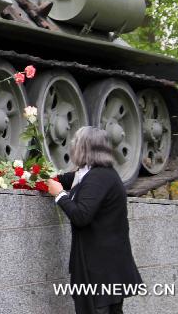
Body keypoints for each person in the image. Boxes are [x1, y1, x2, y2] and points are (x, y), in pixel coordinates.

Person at [45, 126, 143, 314]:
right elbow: (69, 179)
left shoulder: (98, 178)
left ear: (85, 147)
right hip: (107, 267)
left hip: (99, 271)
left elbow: (82, 216)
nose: (72, 145)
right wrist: (39, 177)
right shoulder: (98, 174)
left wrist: (59, 196)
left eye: (76, 142)